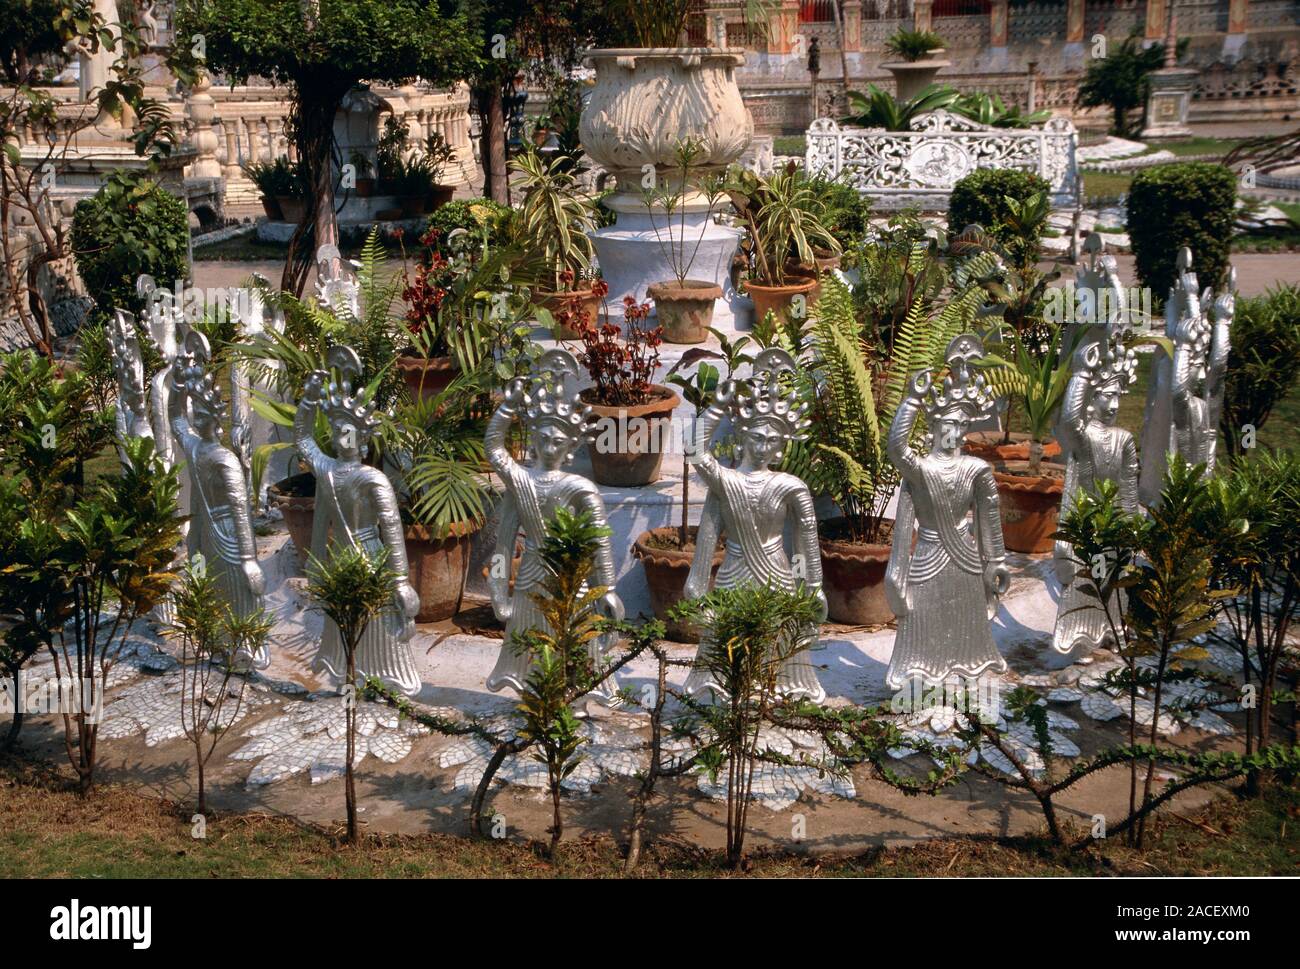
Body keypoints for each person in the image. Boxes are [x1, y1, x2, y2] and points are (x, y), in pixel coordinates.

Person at [885, 335, 1010, 689]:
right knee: (923, 617)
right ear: (934, 428)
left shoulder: (977, 469)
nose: (953, 433)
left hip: (967, 557)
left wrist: (996, 560)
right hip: (928, 554)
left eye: (959, 427)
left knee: (964, 619)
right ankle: (919, 670)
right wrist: (911, 400)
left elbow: (989, 518)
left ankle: (967, 666)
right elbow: (896, 448)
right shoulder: (921, 469)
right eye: (946, 426)